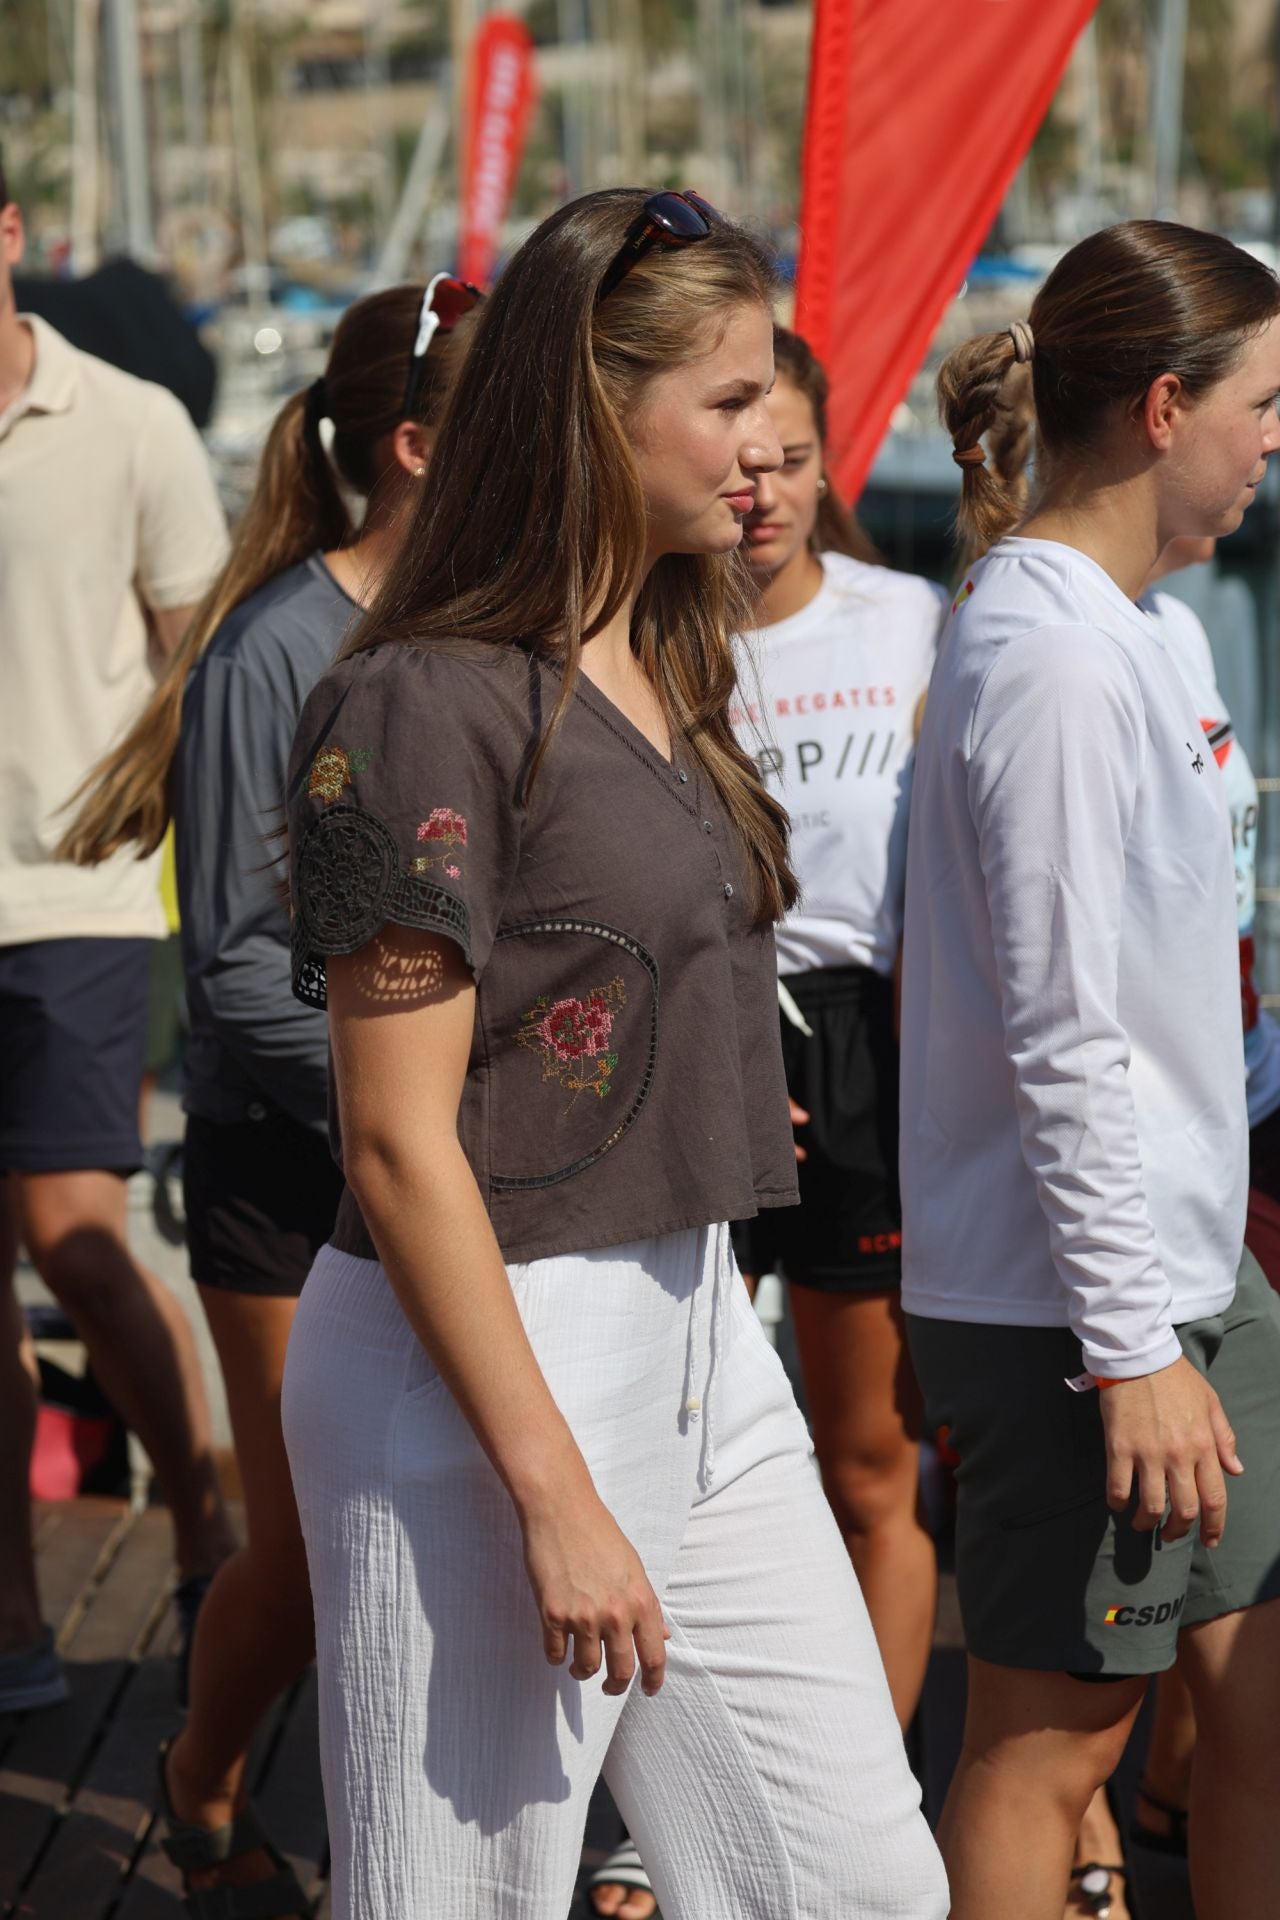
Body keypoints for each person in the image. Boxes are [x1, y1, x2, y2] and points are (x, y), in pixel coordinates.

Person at [280, 187, 949, 1920]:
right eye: (728, 403)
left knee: (856, 1882)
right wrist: (555, 1490)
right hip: (489, 1362)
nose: (765, 445)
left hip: (701, 1328)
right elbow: (396, 1145)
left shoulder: (667, 644)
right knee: (460, 1896)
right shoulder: (425, 695)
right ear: (592, 412)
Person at [59, 277, 478, 1916]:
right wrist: (420, 1090)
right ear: (417, 448)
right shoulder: (272, 652)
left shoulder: (499, 635)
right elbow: (237, 964)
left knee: (451, 1541)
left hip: (452, 1160)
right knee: (314, 1558)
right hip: (286, 1166)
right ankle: (204, 1775)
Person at [901, 218, 1280, 1920]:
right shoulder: (1045, 657)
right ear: (1161, 404)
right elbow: (1058, 1035)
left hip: (1198, 1261)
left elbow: (1181, 960)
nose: (1277, 439)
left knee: (1261, 1701)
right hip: (1081, 1307)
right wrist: (1132, 1351)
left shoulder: (1159, 633)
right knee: (1054, 1741)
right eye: (1264, 402)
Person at [0, 148, 236, 1714]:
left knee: (72, 1233)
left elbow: (196, 668)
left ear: (9, 235)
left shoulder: (131, 424)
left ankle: (203, 1498)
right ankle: (14, 1620)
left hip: (73, 897)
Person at [730, 326, 945, 1728]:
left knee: (871, 1462)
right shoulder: (644, 639)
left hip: (880, 1046)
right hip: (707, 1043)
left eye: (792, 461)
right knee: (686, 1464)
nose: (762, 491)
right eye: (739, 462)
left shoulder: (911, 616)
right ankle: (658, 1818)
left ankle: (866, 1814)